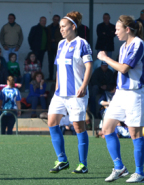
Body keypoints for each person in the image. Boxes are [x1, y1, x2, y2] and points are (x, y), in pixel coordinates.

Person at [97, 15, 144, 183]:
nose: (115, 32)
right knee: (107, 128)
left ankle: (139, 173)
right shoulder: (123, 46)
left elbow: (124, 69)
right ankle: (119, 167)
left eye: (118, 29)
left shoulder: (138, 44)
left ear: (127, 30)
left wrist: (105, 58)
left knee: (135, 133)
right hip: (120, 94)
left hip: (135, 94)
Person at [47, 11, 93, 174]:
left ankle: (83, 164)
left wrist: (84, 85)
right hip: (60, 93)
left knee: (78, 127)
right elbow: (59, 68)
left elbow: (89, 66)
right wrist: (57, 87)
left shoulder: (82, 43)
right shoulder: (60, 44)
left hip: (76, 94)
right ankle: (62, 160)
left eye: (64, 26)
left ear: (73, 27)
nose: (61, 29)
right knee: (52, 122)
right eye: (60, 27)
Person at [47, 15, 62, 80]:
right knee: (50, 63)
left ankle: (58, 77)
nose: (56, 21)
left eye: (57, 19)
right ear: (52, 19)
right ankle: (50, 77)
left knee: (59, 63)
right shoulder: (48, 27)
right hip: (50, 47)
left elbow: (62, 37)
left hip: (58, 48)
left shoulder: (61, 28)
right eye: (55, 19)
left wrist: (55, 40)